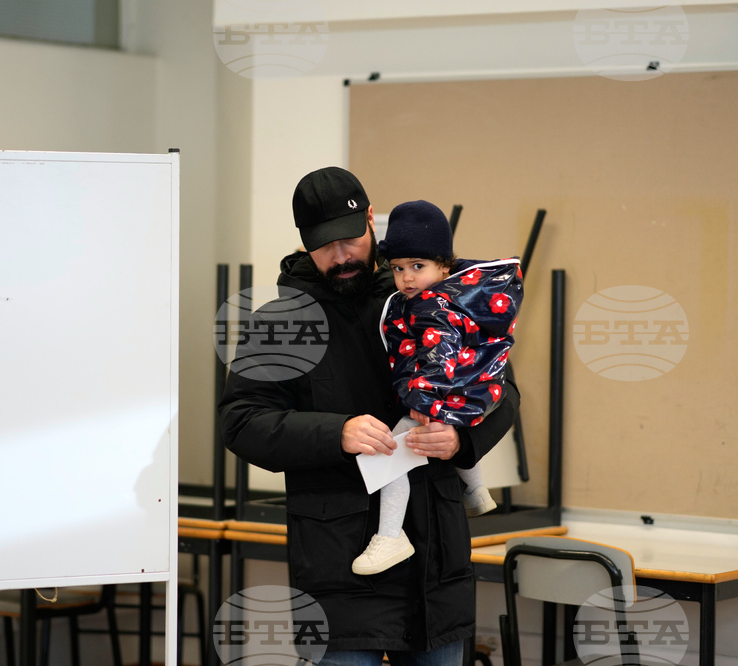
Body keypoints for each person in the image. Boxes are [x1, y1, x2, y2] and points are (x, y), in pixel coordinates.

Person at [219, 166, 520, 666]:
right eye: (324, 245)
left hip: (435, 563)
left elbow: (501, 389)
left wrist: (461, 440)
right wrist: (335, 433)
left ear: (370, 220)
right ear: (303, 242)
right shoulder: (281, 323)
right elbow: (242, 421)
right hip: (341, 569)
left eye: (350, 239)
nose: (341, 256)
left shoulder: (426, 292)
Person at [352, 199, 523, 576]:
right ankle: (476, 491)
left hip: (438, 397)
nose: (407, 278)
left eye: (418, 266)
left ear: (444, 265)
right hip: (466, 394)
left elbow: (437, 358)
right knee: (449, 440)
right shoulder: (455, 297)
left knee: (390, 455)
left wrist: (423, 400)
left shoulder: (435, 308)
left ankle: (390, 535)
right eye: (398, 268)